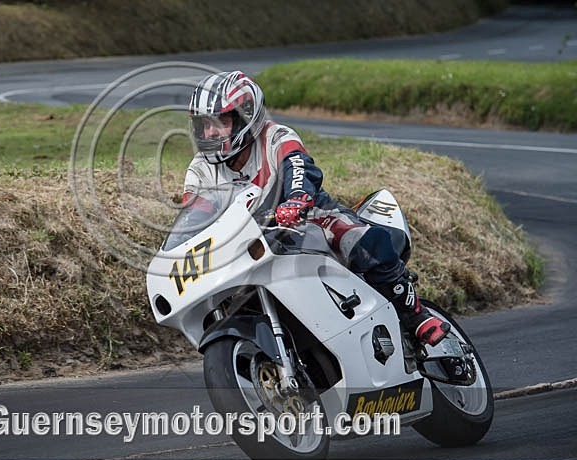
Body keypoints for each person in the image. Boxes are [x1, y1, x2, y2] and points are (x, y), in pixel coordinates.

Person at [183, 71, 450, 347]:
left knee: (359, 240)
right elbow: (194, 216)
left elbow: (297, 167)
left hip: (307, 216)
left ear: (244, 117)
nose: (211, 132)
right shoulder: (199, 170)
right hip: (250, 245)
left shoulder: (275, 136)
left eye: (220, 122)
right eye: (204, 125)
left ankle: (416, 315)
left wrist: (296, 199)